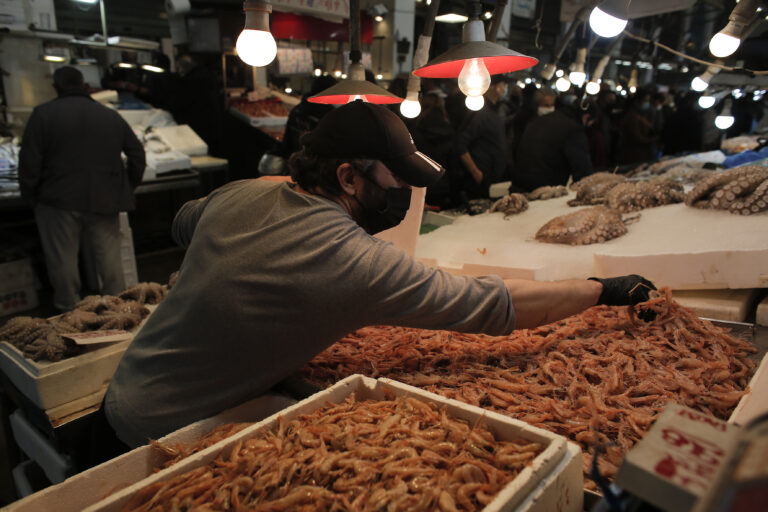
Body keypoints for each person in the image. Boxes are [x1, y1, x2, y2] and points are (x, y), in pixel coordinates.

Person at [102, 100, 656, 449]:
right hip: (165, 435)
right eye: (394, 178)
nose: (402, 192)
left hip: (125, 391)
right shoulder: (356, 262)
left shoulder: (239, 195)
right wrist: (600, 291)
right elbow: (495, 306)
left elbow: (182, 223)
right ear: (347, 176)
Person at [19, 66, 146, 311]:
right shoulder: (108, 115)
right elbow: (137, 153)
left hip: (57, 201)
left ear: (55, 87)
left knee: (63, 260)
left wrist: (30, 195)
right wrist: (127, 185)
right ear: (85, 87)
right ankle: (118, 310)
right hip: (104, 198)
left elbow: (29, 163)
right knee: (110, 261)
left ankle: (68, 313)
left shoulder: (42, 115)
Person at [510, 89, 593, 192]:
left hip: (520, 186)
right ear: (586, 117)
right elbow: (583, 171)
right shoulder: (572, 128)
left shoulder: (534, 122)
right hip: (544, 191)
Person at [453, 76, 509, 200]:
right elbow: (460, 144)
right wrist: (475, 172)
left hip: (493, 178)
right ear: (495, 87)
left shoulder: (496, 109)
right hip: (480, 179)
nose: (505, 88)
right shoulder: (479, 111)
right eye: (503, 84)